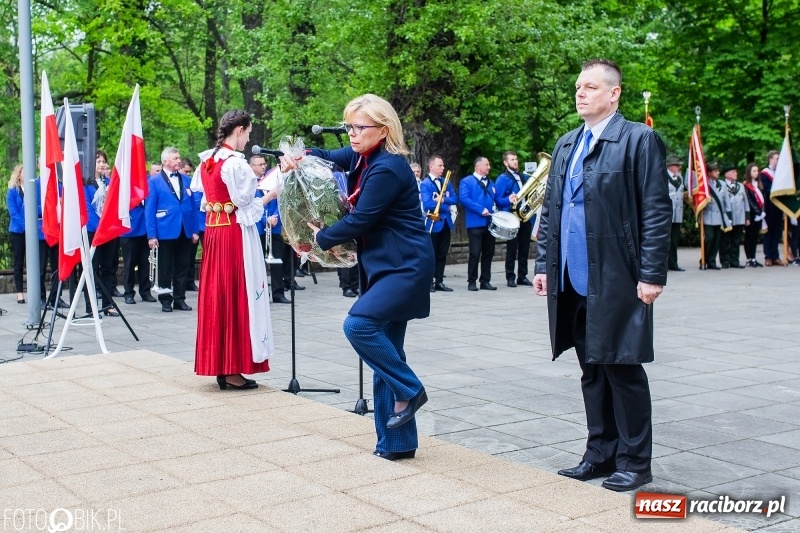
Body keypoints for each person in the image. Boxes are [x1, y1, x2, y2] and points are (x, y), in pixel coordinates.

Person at [533, 59, 671, 492]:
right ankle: (600, 452)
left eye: (590, 87)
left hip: (618, 276)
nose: (580, 93)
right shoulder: (566, 143)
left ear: (614, 93)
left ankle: (635, 462)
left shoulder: (639, 139)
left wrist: (651, 274)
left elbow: (655, 209)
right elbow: (552, 209)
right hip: (570, 277)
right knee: (591, 369)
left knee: (622, 369)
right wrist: (542, 265)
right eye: (578, 86)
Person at [282, 94, 434, 460]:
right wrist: (299, 157)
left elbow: (360, 220)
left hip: (405, 267)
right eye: (349, 125)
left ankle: (410, 390)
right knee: (387, 353)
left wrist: (319, 238)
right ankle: (396, 444)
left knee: (360, 327)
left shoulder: (387, 168)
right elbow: (328, 156)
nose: (351, 133)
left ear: (383, 130)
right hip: (385, 267)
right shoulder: (364, 157)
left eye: (359, 127)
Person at [192, 110, 274, 389]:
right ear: (238, 130)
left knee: (219, 294)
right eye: (248, 133)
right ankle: (231, 368)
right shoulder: (236, 164)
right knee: (237, 293)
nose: (248, 138)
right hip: (232, 235)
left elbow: (210, 198)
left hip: (214, 234)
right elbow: (245, 204)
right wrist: (271, 194)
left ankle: (220, 364)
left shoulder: (207, 161)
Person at [146, 147, 199, 312]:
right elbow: (149, 209)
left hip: (185, 228)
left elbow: (193, 206)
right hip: (165, 229)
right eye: (175, 158)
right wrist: (151, 235)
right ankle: (165, 299)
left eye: (178, 157)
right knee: (165, 266)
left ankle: (179, 298)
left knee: (183, 266)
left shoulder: (186, 180)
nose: (178, 160)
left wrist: (195, 230)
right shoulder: (154, 181)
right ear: (165, 161)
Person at [495, 151, 534, 286]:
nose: (515, 162)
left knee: (524, 248)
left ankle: (522, 276)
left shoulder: (523, 177)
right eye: (512, 160)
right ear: (506, 163)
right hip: (512, 216)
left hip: (525, 216)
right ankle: (510, 277)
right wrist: (508, 200)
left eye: (516, 159)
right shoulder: (502, 179)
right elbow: (498, 200)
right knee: (512, 248)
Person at [459, 156, 497, 291]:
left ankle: (485, 280)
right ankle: (472, 281)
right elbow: (464, 199)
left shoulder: (491, 182)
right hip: (475, 223)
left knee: (489, 252)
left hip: (489, 223)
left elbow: (496, 200)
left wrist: (508, 200)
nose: (489, 167)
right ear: (478, 166)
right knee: (475, 252)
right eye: (487, 164)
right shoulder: (466, 181)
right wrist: (481, 210)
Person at [420, 155, 456, 292]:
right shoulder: (425, 184)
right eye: (440, 165)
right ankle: (429, 282)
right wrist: (444, 204)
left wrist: (442, 201)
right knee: (431, 254)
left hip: (445, 222)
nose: (443, 168)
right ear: (431, 167)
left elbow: (454, 198)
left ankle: (439, 281)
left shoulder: (446, 182)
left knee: (442, 253)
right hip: (432, 223)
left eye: (443, 165)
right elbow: (427, 203)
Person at [700, 162, 730, 270]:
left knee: (716, 240)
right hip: (707, 216)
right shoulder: (704, 184)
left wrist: (728, 217)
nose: (718, 172)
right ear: (709, 172)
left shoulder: (722, 184)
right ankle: (704, 259)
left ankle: (712, 262)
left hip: (719, 217)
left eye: (718, 170)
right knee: (709, 238)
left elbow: (726, 202)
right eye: (715, 171)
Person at [719, 163, 749, 269]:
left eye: (736, 171)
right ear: (727, 174)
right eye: (733, 172)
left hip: (739, 217)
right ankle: (725, 261)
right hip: (727, 217)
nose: (736, 173)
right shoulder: (722, 185)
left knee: (736, 241)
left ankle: (734, 261)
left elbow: (745, 202)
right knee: (725, 240)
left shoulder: (740, 186)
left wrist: (747, 217)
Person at [760, 150, 784, 266]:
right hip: (769, 206)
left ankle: (776, 256)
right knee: (769, 232)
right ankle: (768, 256)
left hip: (779, 206)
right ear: (771, 159)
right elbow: (767, 189)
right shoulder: (765, 173)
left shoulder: (780, 173)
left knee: (777, 231)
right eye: (777, 158)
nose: (778, 160)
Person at [7, 165, 26, 303]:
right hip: (18, 231)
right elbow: (13, 212)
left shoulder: (32, 189)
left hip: (33, 232)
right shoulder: (12, 191)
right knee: (19, 262)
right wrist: (26, 226)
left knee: (34, 263)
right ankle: (20, 292)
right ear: (19, 174)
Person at [182, 158, 200, 292]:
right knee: (185, 256)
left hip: (196, 224)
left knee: (191, 255)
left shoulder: (191, 181)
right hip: (184, 223)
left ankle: (189, 280)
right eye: (185, 171)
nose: (188, 174)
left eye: (189, 172)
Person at [665, 154, 686, 271]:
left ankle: (673, 263)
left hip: (677, 214)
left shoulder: (680, 178)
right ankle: (664, 264)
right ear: (670, 166)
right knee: (665, 240)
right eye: (677, 165)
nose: (679, 167)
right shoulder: (663, 176)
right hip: (667, 213)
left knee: (674, 240)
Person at [743, 163, 765, 267]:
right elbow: (749, 200)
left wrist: (762, 212)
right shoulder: (746, 185)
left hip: (760, 214)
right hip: (751, 214)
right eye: (754, 171)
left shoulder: (759, 184)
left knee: (755, 237)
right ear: (749, 172)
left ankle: (754, 258)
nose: (756, 173)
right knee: (749, 236)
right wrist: (757, 211)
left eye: (757, 171)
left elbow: (763, 199)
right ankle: (749, 259)